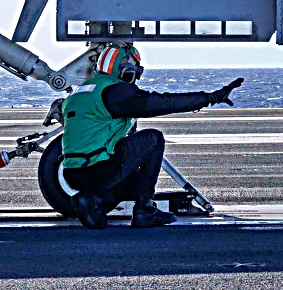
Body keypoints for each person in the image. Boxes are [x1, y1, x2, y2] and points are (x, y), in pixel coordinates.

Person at [59, 42, 242, 228]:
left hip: (71, 174)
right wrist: (211, 98)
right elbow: (164, 103)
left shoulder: (79, 93)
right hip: (99, 170)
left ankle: (91, 200)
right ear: (125, 71)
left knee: (134, 181)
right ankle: (144, 209)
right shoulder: (115, 91)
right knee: (154, 139)